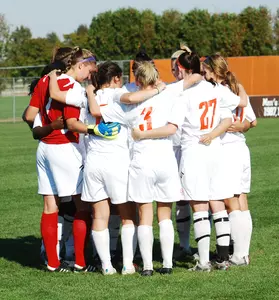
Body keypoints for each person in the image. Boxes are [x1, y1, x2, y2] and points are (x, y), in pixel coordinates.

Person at [132, 52, 248, 272]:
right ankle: (223, 258)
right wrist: (213, 134)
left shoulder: (181, 95)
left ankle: (203, 261)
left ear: (182, 69)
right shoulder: (215, 89)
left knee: (199, 205)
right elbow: (238, 103)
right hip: (214, 149)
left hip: (193, 150)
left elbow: (172, 126)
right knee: (217, 202)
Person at [28, 46, 120, 272]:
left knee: (50, 206)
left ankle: (52, 262)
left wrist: (45, 128)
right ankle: (79, 261)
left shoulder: (44, 81)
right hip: (66, 147)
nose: (90, 74)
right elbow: (72, 121)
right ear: (79, 65)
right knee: (83, 205)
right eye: (89, 69)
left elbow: (30, 116)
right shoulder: (74, 87)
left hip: (44, 148)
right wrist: (94, 129)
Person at [90, 61, 182, 276]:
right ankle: (167, 265)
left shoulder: (130, 103)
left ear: (137, 80)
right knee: (165, 213)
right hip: (166, 158)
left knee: (145, 213)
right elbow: (172, 127)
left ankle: (148, 266)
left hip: (142, 159)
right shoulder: (171, 95)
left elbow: (105, 111)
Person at [202, 54, 257, 265]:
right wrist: (241, 125)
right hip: (241, 148)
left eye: (206, 70)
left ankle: (239, 255)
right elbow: (252, 122)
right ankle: (243, 253)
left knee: (231, 202)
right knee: (241, 201)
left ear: (214, 71)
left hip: (227, 149)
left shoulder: (219, 91)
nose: (204, 74)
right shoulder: (236, 87)